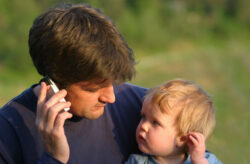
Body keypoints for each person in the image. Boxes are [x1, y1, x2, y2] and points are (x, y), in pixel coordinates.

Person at [0, 3, 147, 164]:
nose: (111, 97)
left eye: (114, 82)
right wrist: (53, 158)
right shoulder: (7, 131)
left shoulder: (146, 108)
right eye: (93, 89)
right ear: (55, 83)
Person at [125, 79, 222, 164]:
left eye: (155, 123)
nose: (143, 126)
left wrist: (199, 161)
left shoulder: (207, 160)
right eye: (143, 116)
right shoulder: (137, 161)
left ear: (182, 139)